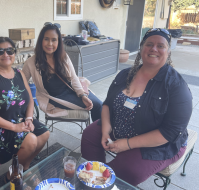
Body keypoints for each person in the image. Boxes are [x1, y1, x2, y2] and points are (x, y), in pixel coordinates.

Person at [81, 28, 192, 186]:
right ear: (141, 49)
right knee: (90, 136)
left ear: (168, 52)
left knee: (126, 169)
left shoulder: (176, 87)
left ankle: (104, 184)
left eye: (160, 46)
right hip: (120, 127)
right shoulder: (125, 74)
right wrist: (105, 131)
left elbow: (170, 132)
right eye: (149, 44)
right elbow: (107, 104)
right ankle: (94, 176)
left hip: (157, 142)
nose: (154, 49)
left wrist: (126, 144)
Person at [0, 37, 49, 180]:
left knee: (44, 134)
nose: (5, 54)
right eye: (0, 51)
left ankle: (23, 167)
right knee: (31, 141)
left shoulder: (19, 73)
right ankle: (12, 175)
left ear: (14, 53)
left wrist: (29, 118)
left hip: (20, 119)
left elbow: (29, 99)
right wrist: (14, 127)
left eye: (9, 50)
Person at [22, 23, 103, 122]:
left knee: (98, 104)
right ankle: (96, 134)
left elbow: (73, 78)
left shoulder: (63, 57)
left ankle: (97, 134)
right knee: (97, 105)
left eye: (54, 40)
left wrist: (82, 95)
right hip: (55, 98)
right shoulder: (31, 63)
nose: (50, 44)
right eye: (46, 39)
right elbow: (21, 85)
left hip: (71, 89)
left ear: (59, 42)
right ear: (41, 41)